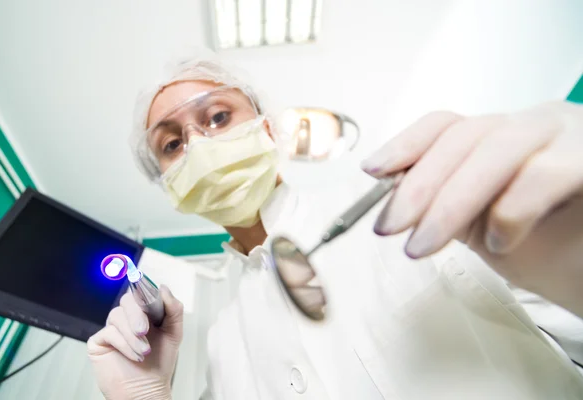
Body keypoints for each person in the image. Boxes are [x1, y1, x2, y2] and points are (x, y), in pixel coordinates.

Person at [87, 54, 583, 399]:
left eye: (218, 116)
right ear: (167, 185)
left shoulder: (408, 203)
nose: (197, 144)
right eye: (171, 145)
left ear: (268, 126)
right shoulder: (221, 344)